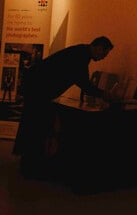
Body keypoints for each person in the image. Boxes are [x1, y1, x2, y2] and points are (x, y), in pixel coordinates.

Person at [13, 36, 114, 178]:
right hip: (39, 90)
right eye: (104, 54)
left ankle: (28, 162)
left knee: (31, 123)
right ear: (98, 47)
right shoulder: (80, 56)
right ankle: (30, 165)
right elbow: (84, 83)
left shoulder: (80, 52)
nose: (103, 58)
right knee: (35, 125)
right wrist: (103, 94)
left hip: (36, 87)